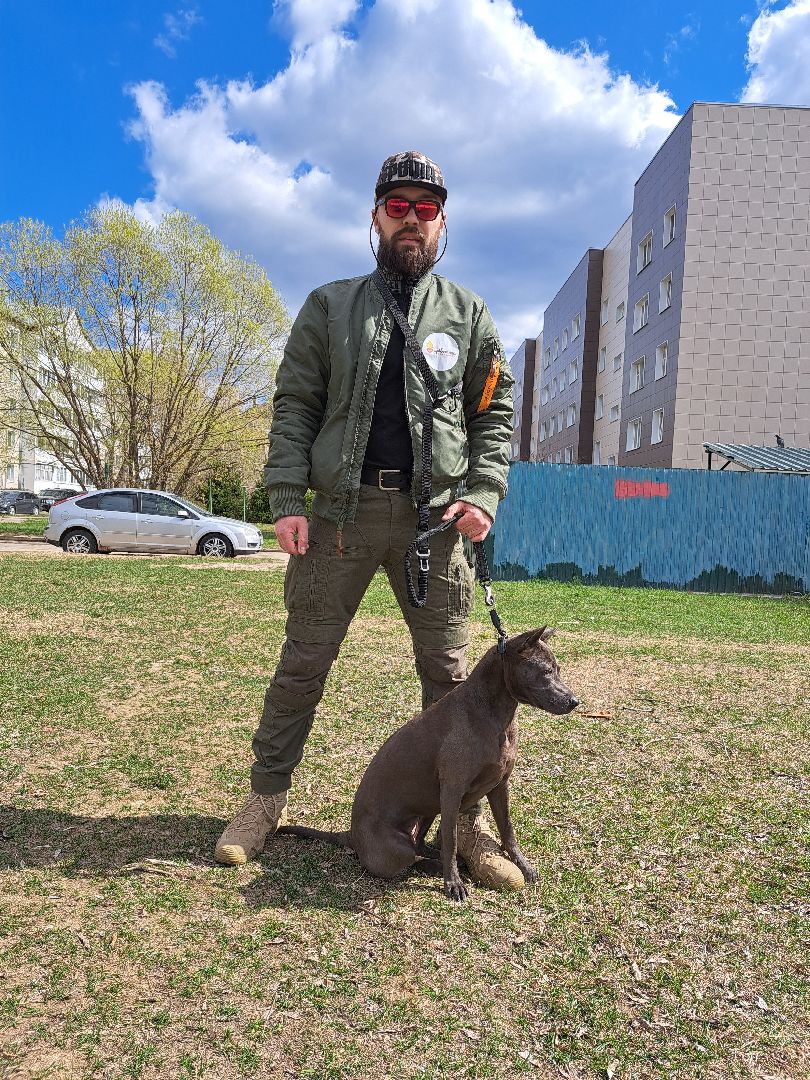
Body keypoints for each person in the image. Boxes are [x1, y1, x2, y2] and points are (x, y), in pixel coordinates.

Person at [215, 150, 522, 889]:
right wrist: (288, 498)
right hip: (340, 519)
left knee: (451, 681)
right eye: (397, 205)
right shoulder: (328, 306)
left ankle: (467, 830)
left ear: (442, 221)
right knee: (302, 665)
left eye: (425, 208)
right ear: (375, 216)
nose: (410, 219)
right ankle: (264, 802)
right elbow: (294, 407)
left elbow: (496, 414)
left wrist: (483, 493)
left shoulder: (469, 314)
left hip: (435, 526)